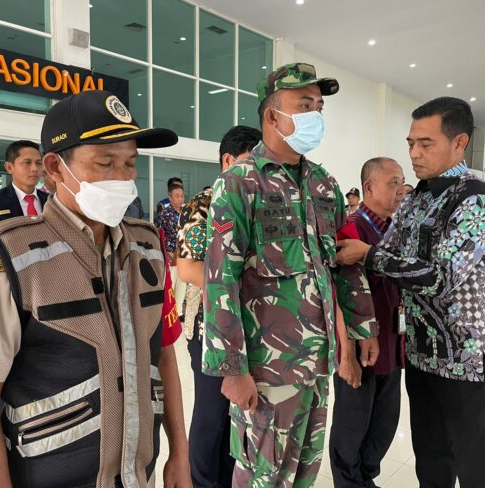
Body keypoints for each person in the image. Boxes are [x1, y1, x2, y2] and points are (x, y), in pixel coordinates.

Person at [0, 90, 190, 487]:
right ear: (54, 167)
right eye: (105, 163)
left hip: (139, 474)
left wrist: (180, 453)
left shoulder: (148, 246)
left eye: (129, 164)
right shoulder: (8, 258)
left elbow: (165, 355)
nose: (123, 179)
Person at [203, 62, 378, 487]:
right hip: (267, 370)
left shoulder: (324, 184)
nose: (315, 116)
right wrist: (232, 369)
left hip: (317, 362)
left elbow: (342, 262)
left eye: (318, 107)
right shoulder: (240, 184)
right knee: (264, 476)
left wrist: (361, 325)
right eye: (304, 105)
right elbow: (219, 280)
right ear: (272, 116)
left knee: (304, 473)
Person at [336, 97, 485, 488]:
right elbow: (392, 250)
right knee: (431, 460)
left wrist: (370, 255)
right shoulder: (416, 199)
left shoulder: (475, 197)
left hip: (464, 357)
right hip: (420, 352)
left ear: (459, 142)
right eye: (410, 142)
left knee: (477, 465)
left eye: (425, 144)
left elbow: (444, 276)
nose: (413, 153)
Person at [177, 125, 261, 488]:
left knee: (238, 414)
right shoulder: (202, 204)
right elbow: (188, 267)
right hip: (209, 325)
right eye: (249, 163)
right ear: (228, 161)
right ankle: (201, 482)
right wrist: (235, 292)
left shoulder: (260, 202)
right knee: (212, 413)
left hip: (253, 327)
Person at [330, 157, 406, 488]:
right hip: (360, 347)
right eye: (393, 182)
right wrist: (346, 353)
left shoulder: (398, 230)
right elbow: (338, 296)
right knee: (352, 423)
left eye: (402, 182)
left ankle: (365, 477)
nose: (401, 190)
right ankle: (348, 481)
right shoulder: (351, 228)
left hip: (393, 341)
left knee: (384, 422)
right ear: (370, 186)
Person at [0, 140, 48, 248]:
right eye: (27, 162)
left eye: (39, 163)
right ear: (9, 167)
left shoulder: (50, 200)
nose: (34, 169)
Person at [155, 183, 186, 314]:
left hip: (184, 258)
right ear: (170, 197)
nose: (180, 199)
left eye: (182, 196)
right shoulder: (164, 215)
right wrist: (166, 251)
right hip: (170, 259)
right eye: (177, 196)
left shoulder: (187, 213)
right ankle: (168, 319)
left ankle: (177, 317)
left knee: (181, 291)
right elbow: (157, 235)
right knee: (170, 291)